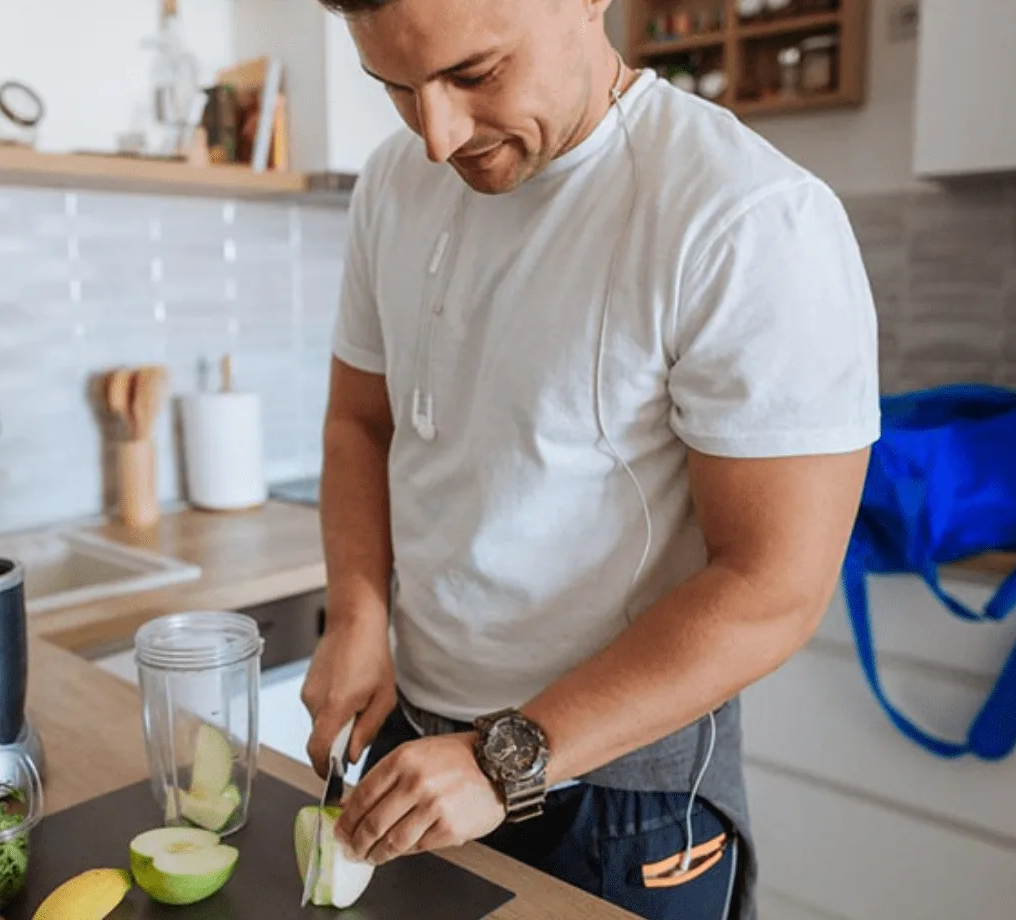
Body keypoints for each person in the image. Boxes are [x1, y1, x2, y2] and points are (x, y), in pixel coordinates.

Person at [298, 0, 880, 916]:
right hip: (412, 748)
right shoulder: (393, 184)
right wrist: (357, 613)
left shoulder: (750, 217)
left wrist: (501, 759)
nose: (439, 137)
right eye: (398, 90)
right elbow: (360, 425)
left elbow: (775, 587)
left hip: (621, 801)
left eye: (474, 75)